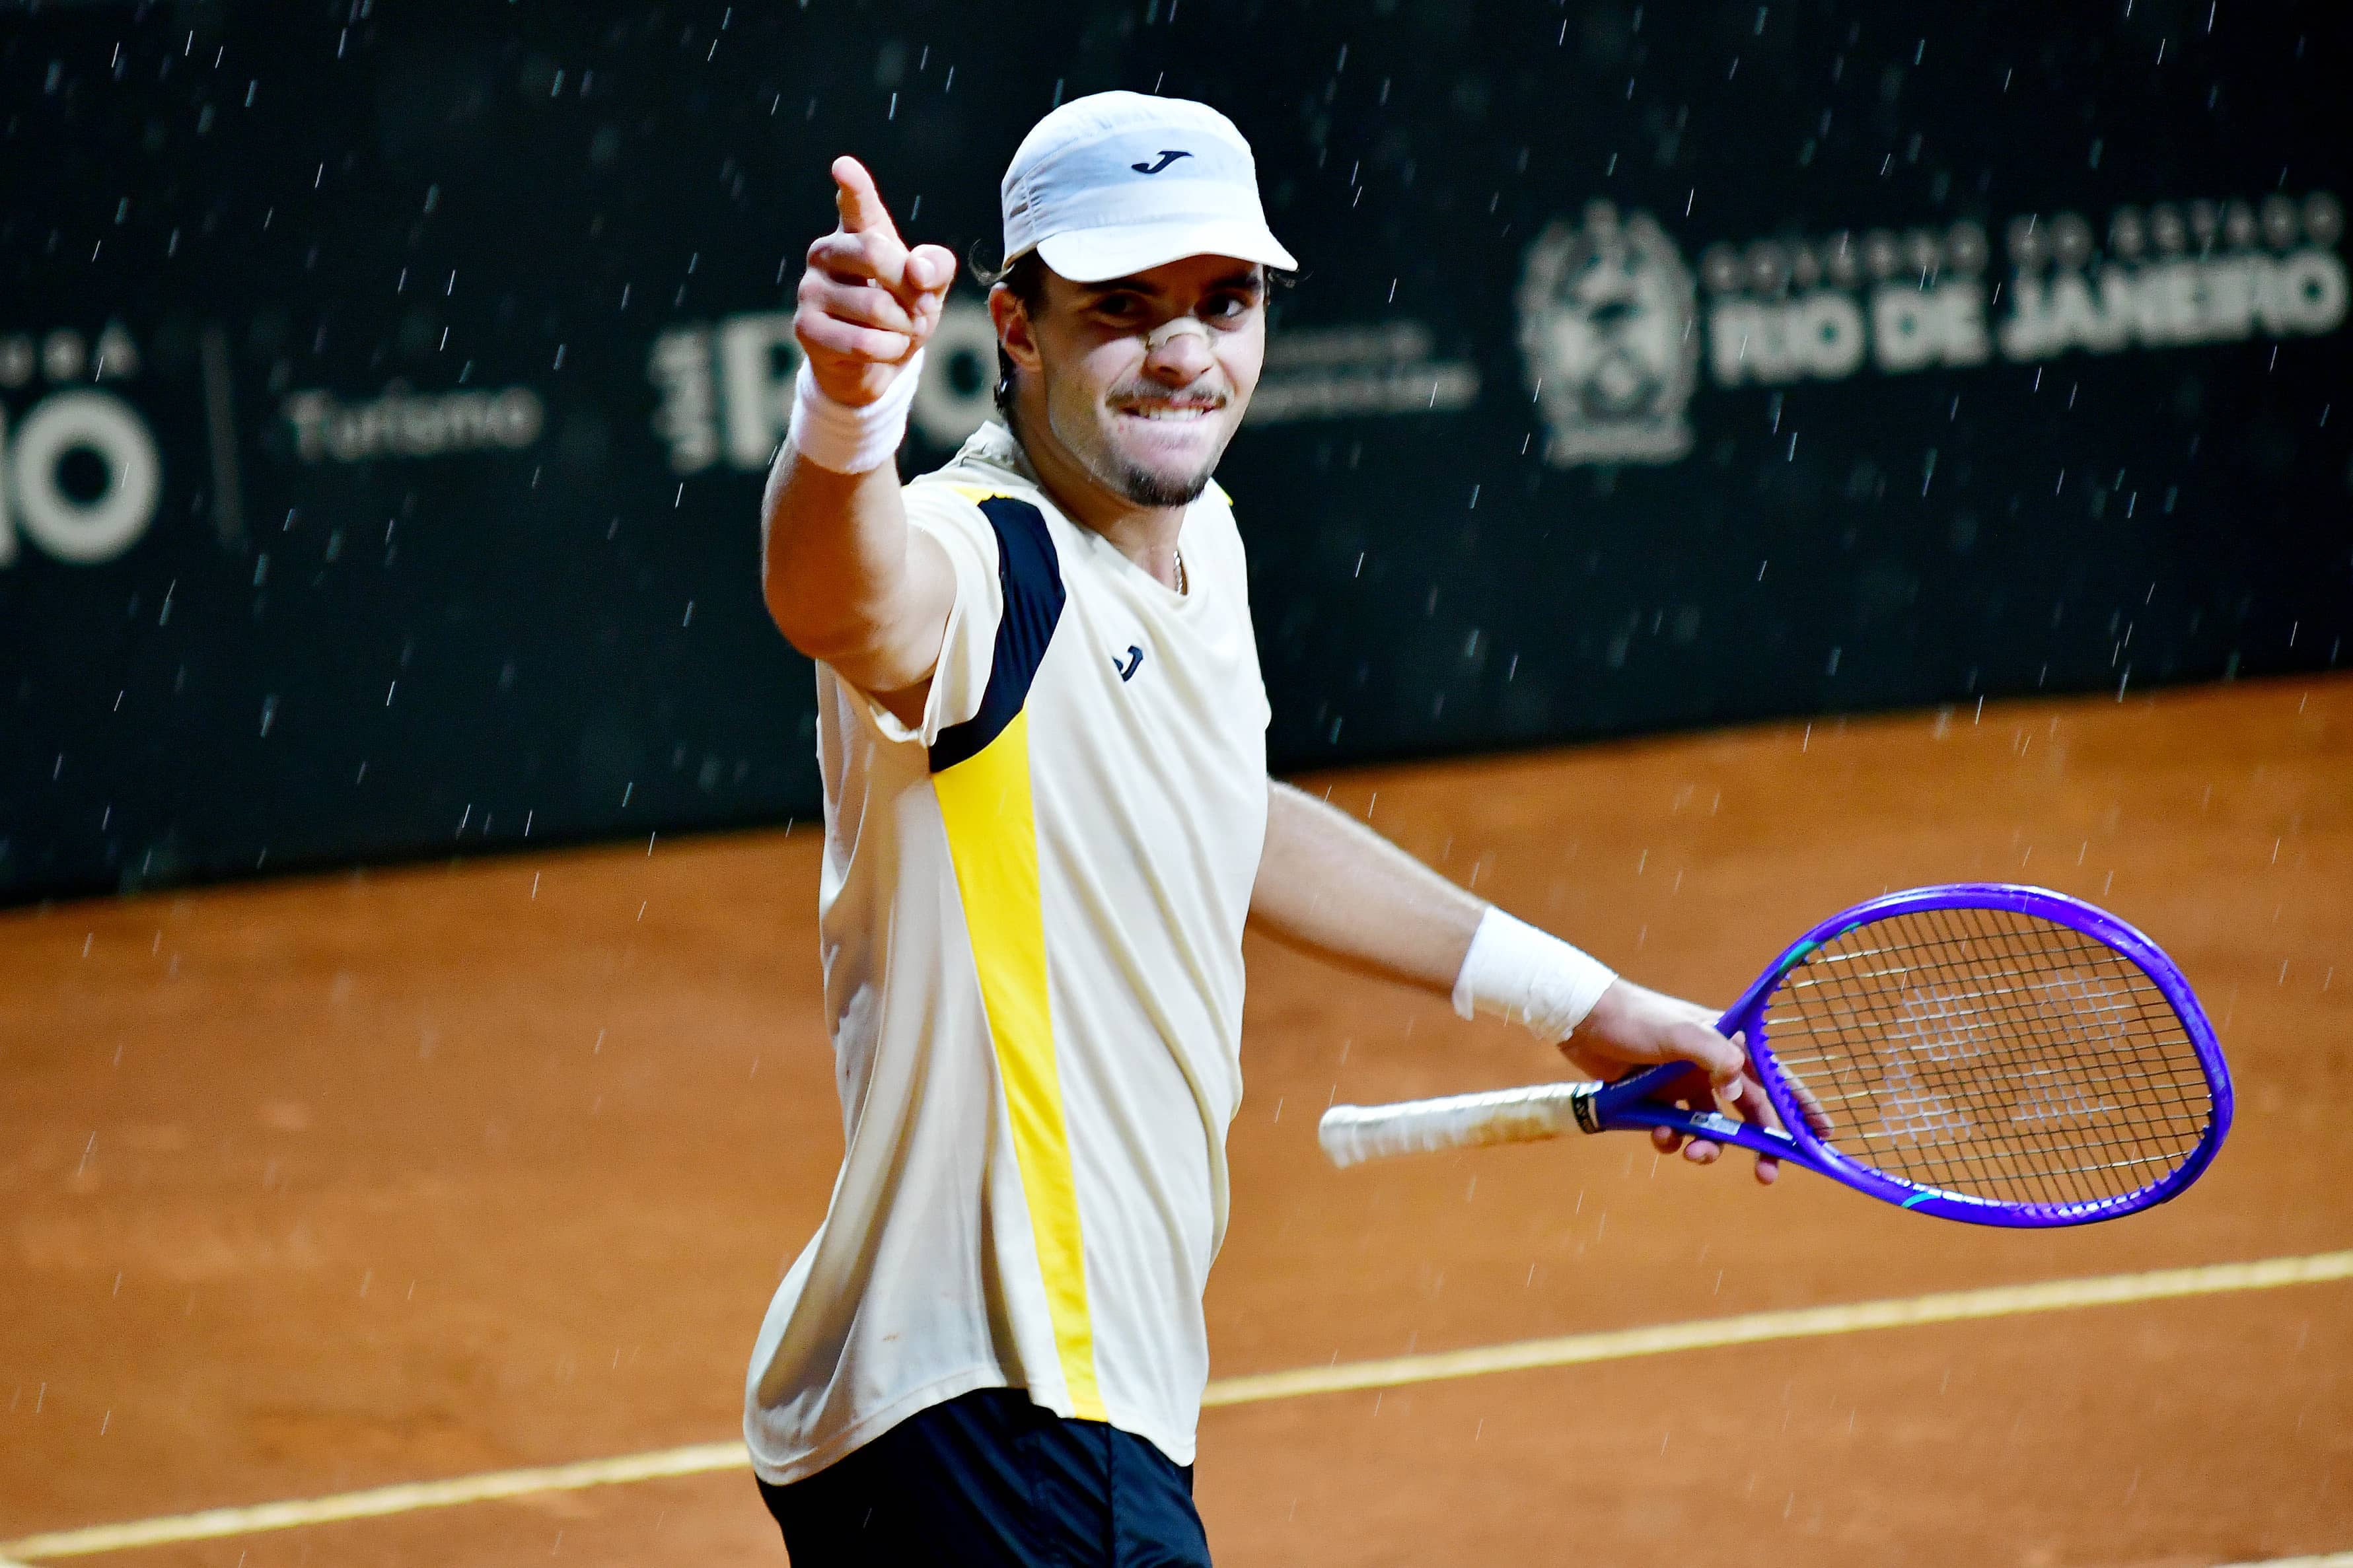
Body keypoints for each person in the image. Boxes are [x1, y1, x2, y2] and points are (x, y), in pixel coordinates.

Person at [748, 90, 1780, 1566]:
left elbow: (1227, 813)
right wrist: (843, 413)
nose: (1184, 352)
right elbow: (836, 594)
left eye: (1222, 301)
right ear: (1015, 327)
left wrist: (1583, 1001)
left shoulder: (1197, 540)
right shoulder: (990, 567)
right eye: (1124, 306)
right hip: (1020, 1405)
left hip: (965, 1407)